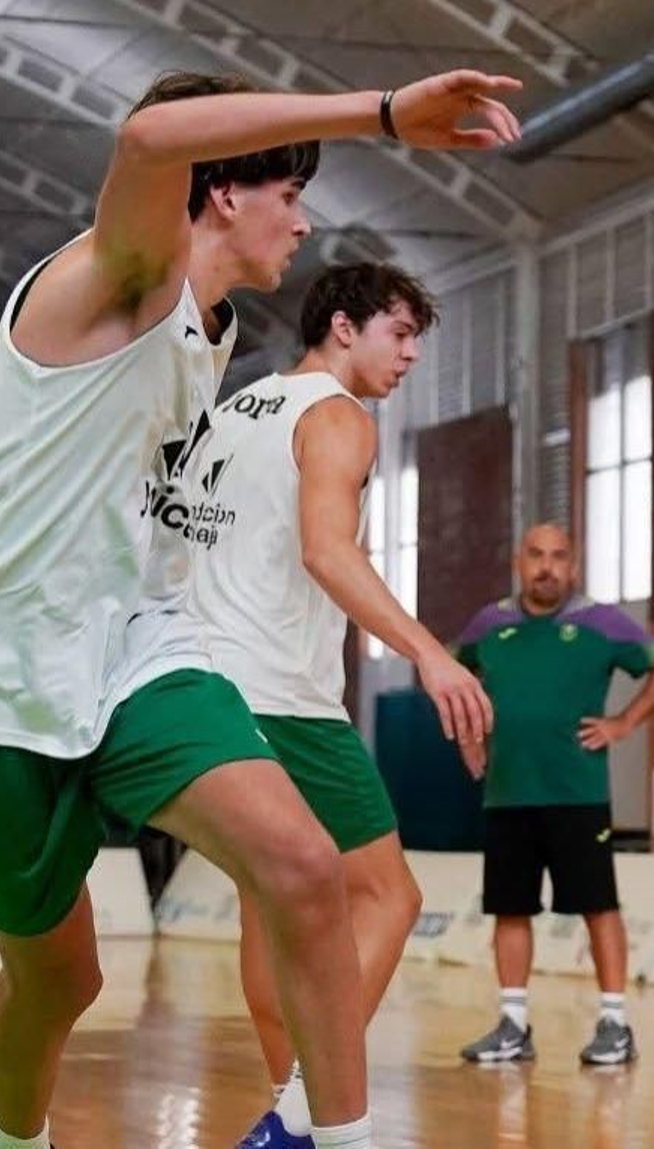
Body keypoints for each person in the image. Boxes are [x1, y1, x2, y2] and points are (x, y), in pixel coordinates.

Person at [0, 68, 520, 1149]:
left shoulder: (213, 336)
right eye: (289, 194)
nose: (302, 221)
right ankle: (11, 1140)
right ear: (223, 192)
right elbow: (146, 134)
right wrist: (375, 113)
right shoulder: (121, 272)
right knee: (59, 978)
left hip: (133, 651)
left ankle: (333, 1138)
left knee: (309, 867)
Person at [182, 263, 493, 1148]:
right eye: (399, 334)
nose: (411, 355)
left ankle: (296, 1109)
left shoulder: (237, 410)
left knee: (267, 904)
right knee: (387, 893)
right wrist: (429, 651)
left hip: (197, 684)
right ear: (344, 327)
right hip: (282, 695)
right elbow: (327, 549)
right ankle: (300, 1111)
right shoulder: (338, 417)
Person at [453, 523, 654, 1067]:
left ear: (573, 566)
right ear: (518, 561)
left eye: (558, 556)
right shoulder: (489, 625)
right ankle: (512, 1025)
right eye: (536, 555)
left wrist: (623, 723)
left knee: (599, 906)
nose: (547, 566)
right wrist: (468, 738)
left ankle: (615, 1024)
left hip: (578, 795)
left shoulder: (599, 622)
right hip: (507, 795)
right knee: (510, 909)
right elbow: (447, 677)